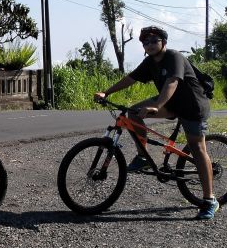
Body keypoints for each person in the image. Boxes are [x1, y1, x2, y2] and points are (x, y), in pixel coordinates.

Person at [94, 25, 219, 220]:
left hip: (193, 105)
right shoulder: (149, 62)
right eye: (146, 42)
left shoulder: (174, 57)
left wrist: (157, 105)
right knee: (133, 114)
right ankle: (143, 157)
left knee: (196, 147)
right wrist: (106, 92)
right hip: (171, 103)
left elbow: (172, 83)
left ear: (164, 42)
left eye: (154, 41)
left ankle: (209, 200)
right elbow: (130, 78)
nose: (150, 45)